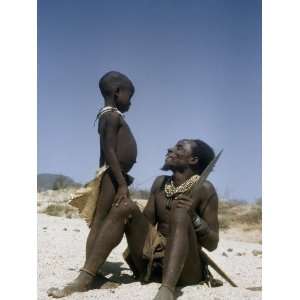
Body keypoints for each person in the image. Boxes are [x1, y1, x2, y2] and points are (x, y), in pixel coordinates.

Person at [48, 139, 219, 300]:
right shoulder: (160, 183)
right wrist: (129, 212)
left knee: (180, 211)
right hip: (154, 262)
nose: (170, 149)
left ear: (193, 160)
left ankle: (167, 290)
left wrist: (194, 218)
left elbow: (212, 244)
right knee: (125, 206)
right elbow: (146, 223)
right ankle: (85, 278)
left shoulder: (205, 189)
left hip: (186, 270)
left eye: (180, 147)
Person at [48, 71, 137, 296]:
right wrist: (120, 183)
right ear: (117, 93)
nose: (131, 101)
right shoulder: (112, 117)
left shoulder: (108, 115)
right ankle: (90, 275)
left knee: (102, 222)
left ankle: (93, 273)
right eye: (130, 95)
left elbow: (106, 153)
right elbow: (109, 151)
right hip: (112, 177)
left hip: (111, 176)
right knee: (101, 224)